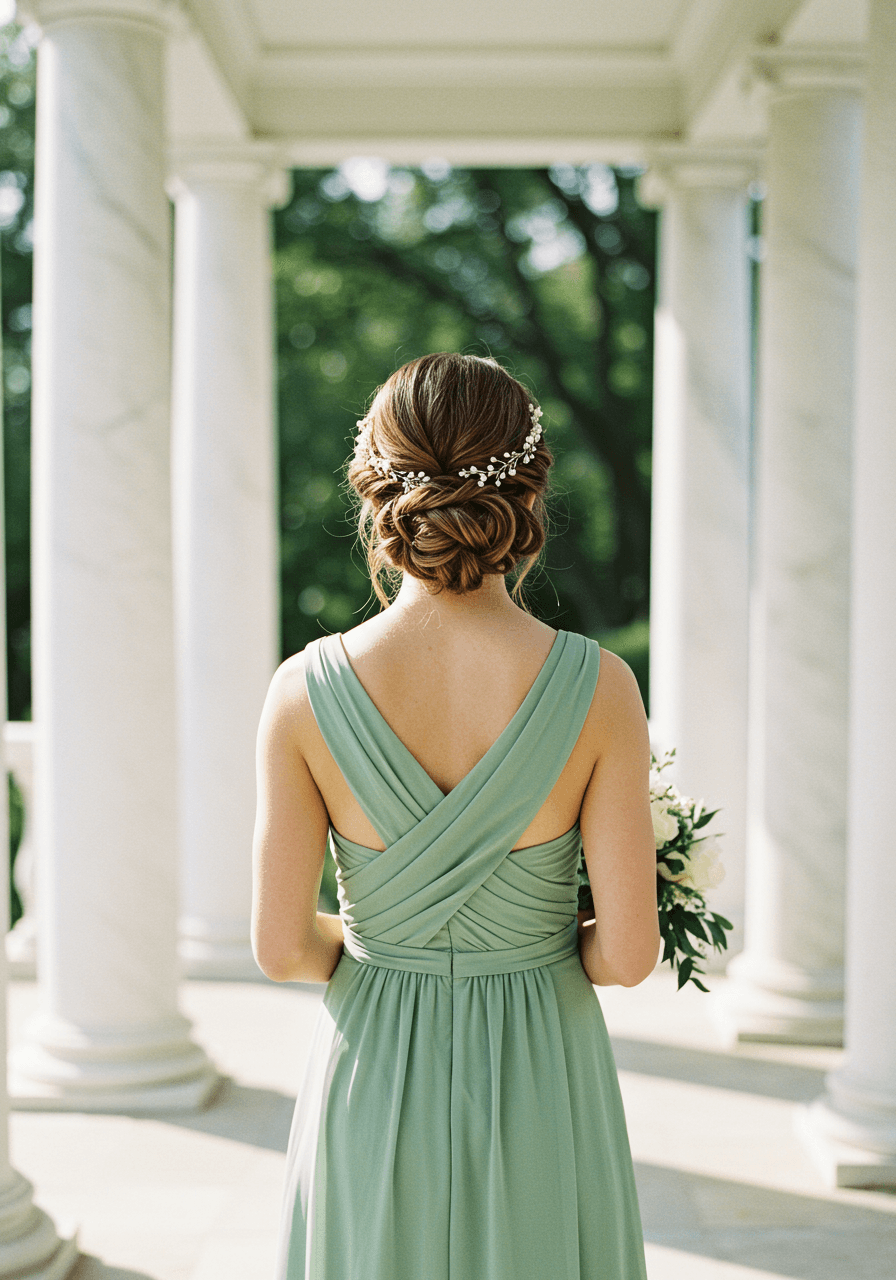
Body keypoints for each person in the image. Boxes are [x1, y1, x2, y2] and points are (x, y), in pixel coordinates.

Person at [252, 352, 660, 1280]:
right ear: (529, 494)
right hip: (541, 1062)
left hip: (372, 1060)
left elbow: (280, 948)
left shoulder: (302, 691)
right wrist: (533, 938)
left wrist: (384, 949)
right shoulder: (600, 687)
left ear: (375, 493)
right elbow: (628, 956)